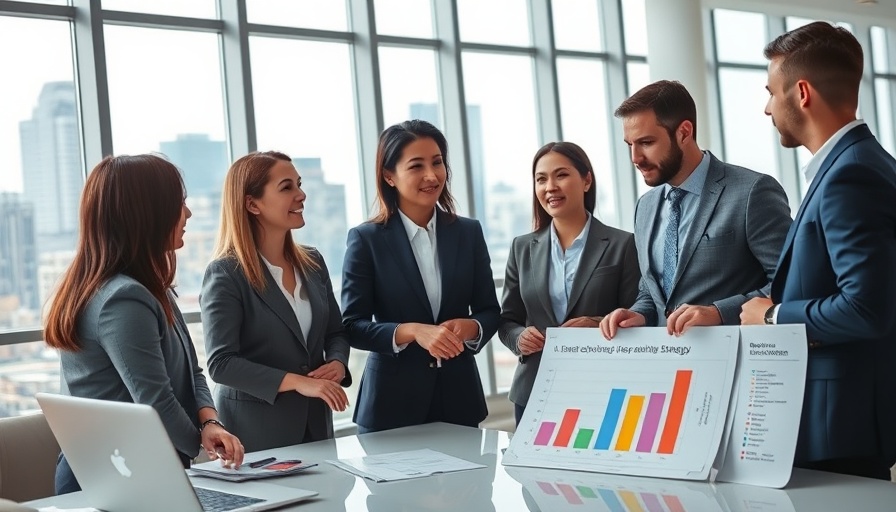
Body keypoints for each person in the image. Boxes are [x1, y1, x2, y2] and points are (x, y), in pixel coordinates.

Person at [740, 22, 896, 480]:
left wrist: (773, 316)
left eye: (772, 91)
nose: (767, 107)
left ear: (802, 93)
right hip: (839, 420)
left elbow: (866, 309)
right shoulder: (859, 164)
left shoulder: (850, 176)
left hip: (837, 427)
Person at [43, 155, 244, 494]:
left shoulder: (152, 288)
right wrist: (201, 445)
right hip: (114, 477)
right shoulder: (123, 298)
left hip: (133, 469)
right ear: (146, 214)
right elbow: (155, 400)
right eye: (178, 203)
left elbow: (192, 372)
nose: (188, 214)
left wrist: (209, 421)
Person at [599, 80, 792, 340]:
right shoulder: (645, 207)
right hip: (664, 366)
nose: (635, 158)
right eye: (629, 144)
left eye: (646, 142)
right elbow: (652, 288)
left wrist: (718, 312)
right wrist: (639, 313)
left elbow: (790, 283)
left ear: (684, 132)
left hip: (732, 361)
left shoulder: (752, 192)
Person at [341, 119, 500, 433]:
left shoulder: (468, 232)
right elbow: (352, 326)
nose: (432, 175)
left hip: (459, 399)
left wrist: (472, 326)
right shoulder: (366, 239)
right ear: (389, 175)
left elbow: (490, 311)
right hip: (390, 406)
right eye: (416, 166)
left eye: (437, 162)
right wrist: (412, 331)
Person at [200, 151, 351, 452]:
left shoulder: (313, 262)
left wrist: (337, 362)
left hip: (317, 428)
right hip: (255, 435)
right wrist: (298, 381)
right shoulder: (226, 273)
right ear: (252, 204)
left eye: (299, 184)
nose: (301, 195)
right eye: (287, 187)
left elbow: (336, 331)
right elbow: (221, 363)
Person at [499, 142, 640, 425]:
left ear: (586, 180)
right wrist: (519, 337)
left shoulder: (622, 244)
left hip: (601, 388)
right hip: (534, 389)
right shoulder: (521, 248)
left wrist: (597, 323)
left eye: (561, 175)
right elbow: (507, 320)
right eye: (541, 179)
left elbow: (639, 315)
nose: (550, 186)